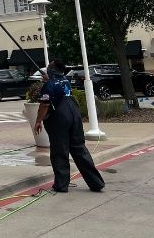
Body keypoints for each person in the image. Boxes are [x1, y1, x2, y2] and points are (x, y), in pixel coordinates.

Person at [33, 59, 105, 193]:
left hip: (59, 118)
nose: (47, 68)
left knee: (60, 151)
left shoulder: (49, 84)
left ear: (52, 71)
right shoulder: (65, 81)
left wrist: (38, 120)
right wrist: (49, 80)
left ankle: (61, 185)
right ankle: (96, 183)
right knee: (79, 149)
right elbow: (57, 84)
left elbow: (44, 104)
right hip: (74, 114)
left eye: (49, 67)